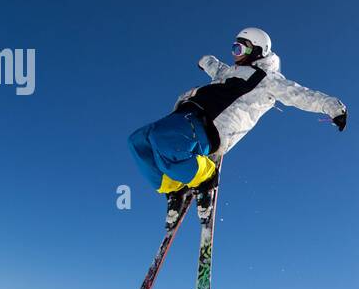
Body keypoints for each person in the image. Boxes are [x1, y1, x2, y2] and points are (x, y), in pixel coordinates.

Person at [127, 27, 347, 195]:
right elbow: (218, 69)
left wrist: (333, 107)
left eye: (240, 48)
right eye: (234, 48)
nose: (235, 54)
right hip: (189, 114)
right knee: (139, 140)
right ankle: (174, 189)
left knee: (165, 141)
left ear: (258, 50)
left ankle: (205, 175)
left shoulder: (267, 79)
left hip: (211, 126)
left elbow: (300, 94)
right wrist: (206, 62)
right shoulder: (230, 73)